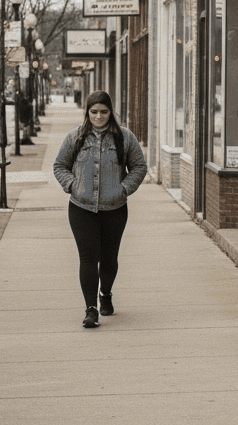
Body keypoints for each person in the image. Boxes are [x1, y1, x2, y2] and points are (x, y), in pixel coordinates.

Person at [52, 90, 147, 328]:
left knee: (108, 258)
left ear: (110, 112)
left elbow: (139, 167)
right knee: (88, 257)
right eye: (94, 112)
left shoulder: (124, 137)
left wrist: (123, 189)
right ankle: (90, 308)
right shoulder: (75, 137)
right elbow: (60, 165)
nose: (99, 117)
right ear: (87, 112)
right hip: (81, 208)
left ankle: (106, 293)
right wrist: (72, 185)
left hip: (114, 208)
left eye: (104, 112)